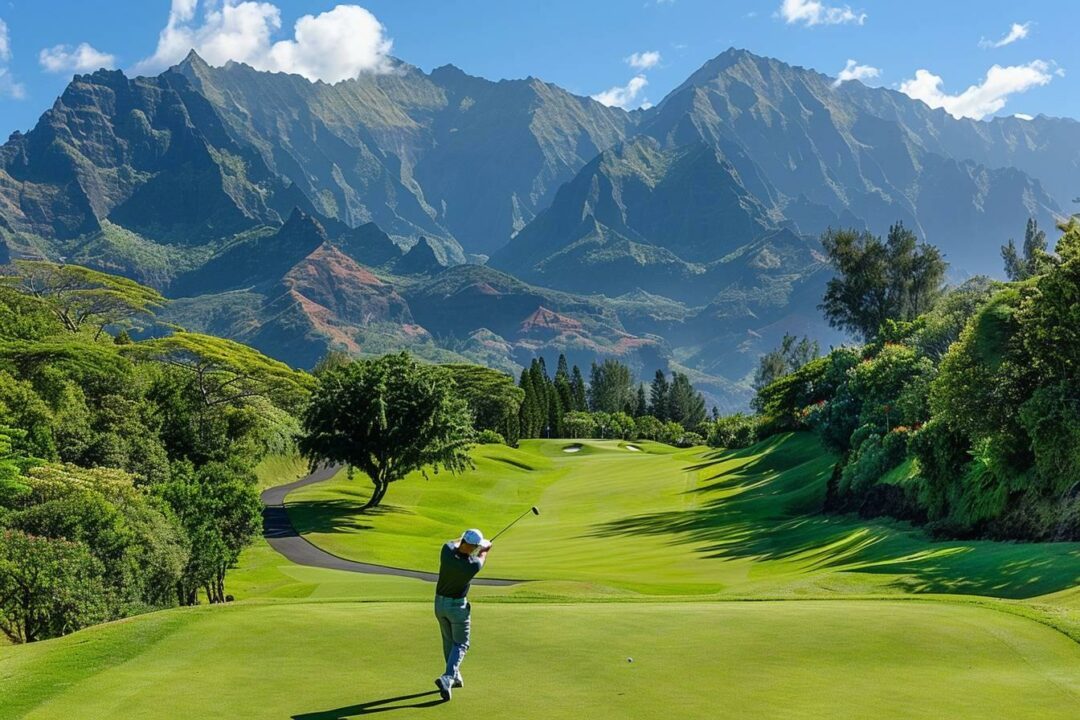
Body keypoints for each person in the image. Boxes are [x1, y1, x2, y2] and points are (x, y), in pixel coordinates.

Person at [433, 528, 491, 701]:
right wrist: (485, 547)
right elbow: (482, 556)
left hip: (439, 604)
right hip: (457, 607)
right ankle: (448, 677)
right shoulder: (472, 565)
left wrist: (469, 540)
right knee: (461, 644)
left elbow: (455, 542)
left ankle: (455, 676)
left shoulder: (446, 551)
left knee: (448, 641)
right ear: (473, 546)